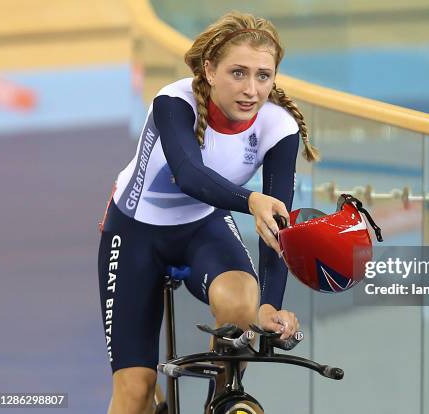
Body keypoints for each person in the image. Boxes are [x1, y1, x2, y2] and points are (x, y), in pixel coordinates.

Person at [97, 11, 320, 414]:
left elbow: (277, 226)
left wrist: (270, 304)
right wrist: (251, 201)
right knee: (135, 393)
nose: (251, 90)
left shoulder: (278, 127)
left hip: (203, 226)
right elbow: (189, 175)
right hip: (134, 235)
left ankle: (218, 401)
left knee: (243, 304)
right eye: (238, 73)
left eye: (263, 76)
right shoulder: (174, 102)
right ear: (210, 70)